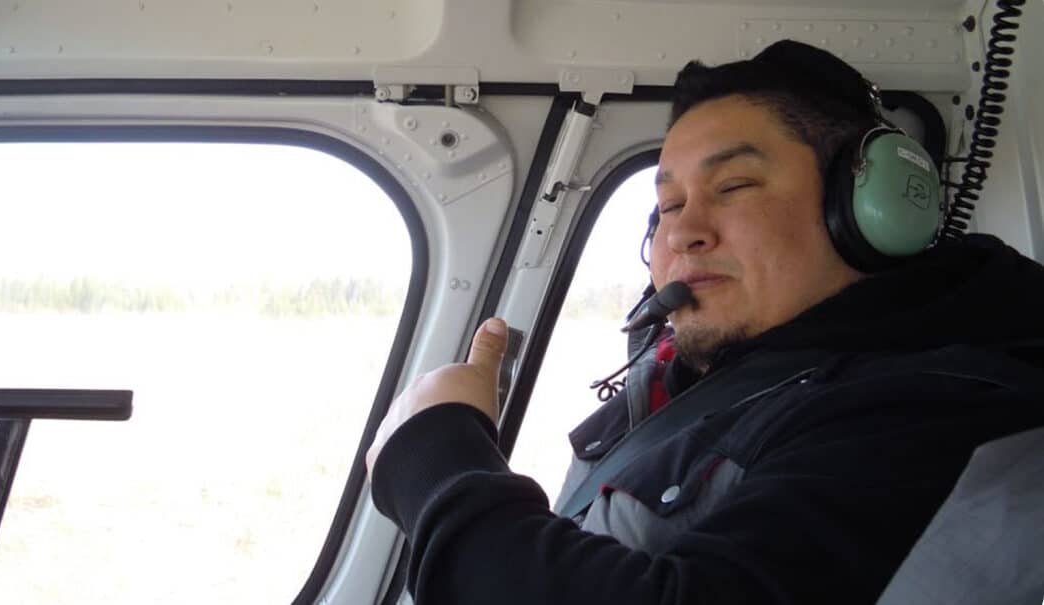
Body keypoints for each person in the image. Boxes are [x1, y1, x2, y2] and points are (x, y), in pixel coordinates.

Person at [364, 40, 1044, 604]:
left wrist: (437, 462)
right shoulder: (705, 376)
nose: (681, 232)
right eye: (666, 205)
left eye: (733, 187)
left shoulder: (936, 407)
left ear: (874, 208)